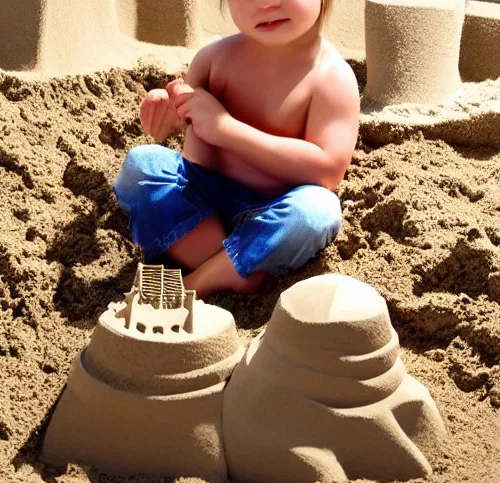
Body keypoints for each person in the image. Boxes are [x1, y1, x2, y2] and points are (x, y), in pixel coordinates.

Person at [114, 0, 360, 299]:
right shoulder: (214, 59)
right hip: (200, 210)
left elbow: (327, 172)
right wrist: (168, 118)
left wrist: (227, 129)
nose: (267, 4)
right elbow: (191, 142)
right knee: (143, 163)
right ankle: (236, 266)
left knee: (318, 211)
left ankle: (198, 281)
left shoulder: (331, 77)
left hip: (272, 212)